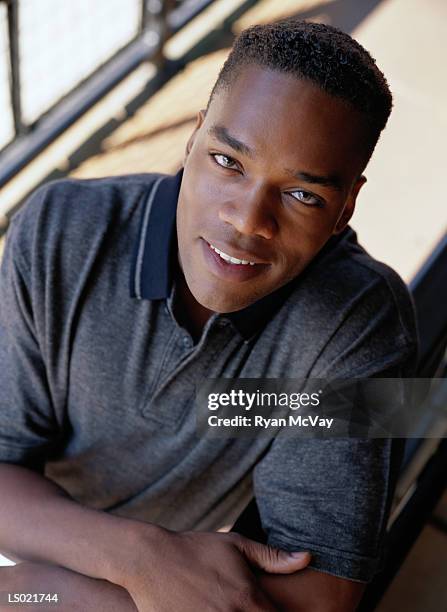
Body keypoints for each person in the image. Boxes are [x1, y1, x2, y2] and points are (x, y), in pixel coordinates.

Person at [0, 19, 418, 611]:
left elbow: (323, 593)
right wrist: (140, 559)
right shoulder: (57, 230)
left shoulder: (366, 325)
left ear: (346, 206)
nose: (248, 220)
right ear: (193, 139)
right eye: (227, 160)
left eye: (304, 195)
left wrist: (53, 594)